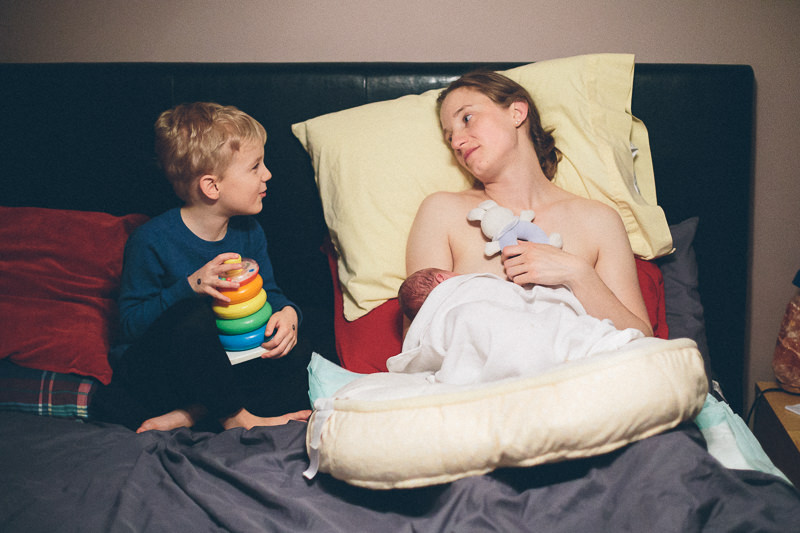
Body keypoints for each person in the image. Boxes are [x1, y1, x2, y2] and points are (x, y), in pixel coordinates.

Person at [92, 102, 311, 433]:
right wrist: (189, 286)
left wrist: (288, 316)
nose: (267, 174)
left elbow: (271, 294)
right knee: (196, 317)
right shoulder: (151, 240)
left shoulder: (248, 232)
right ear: (212, 187)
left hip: (223, 366)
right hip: (162, 371)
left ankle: (194, 413)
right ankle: (237, 419)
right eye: (255, 167)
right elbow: (129, 327)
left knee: (301, 354)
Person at [405, 71, 653, 337]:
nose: (457, 141)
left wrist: (577, 273)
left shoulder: (599, 219)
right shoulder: (442, 212)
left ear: (516, 113)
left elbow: (642, 340)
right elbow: (418, 341)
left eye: (467, 119)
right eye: (449, 137)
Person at [390, 268, 644, 385]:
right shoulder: (459, 293)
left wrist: (577, 272)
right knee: (471, 317)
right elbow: (426, 336)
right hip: (478, 326)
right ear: (443, 278)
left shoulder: (596, 217)